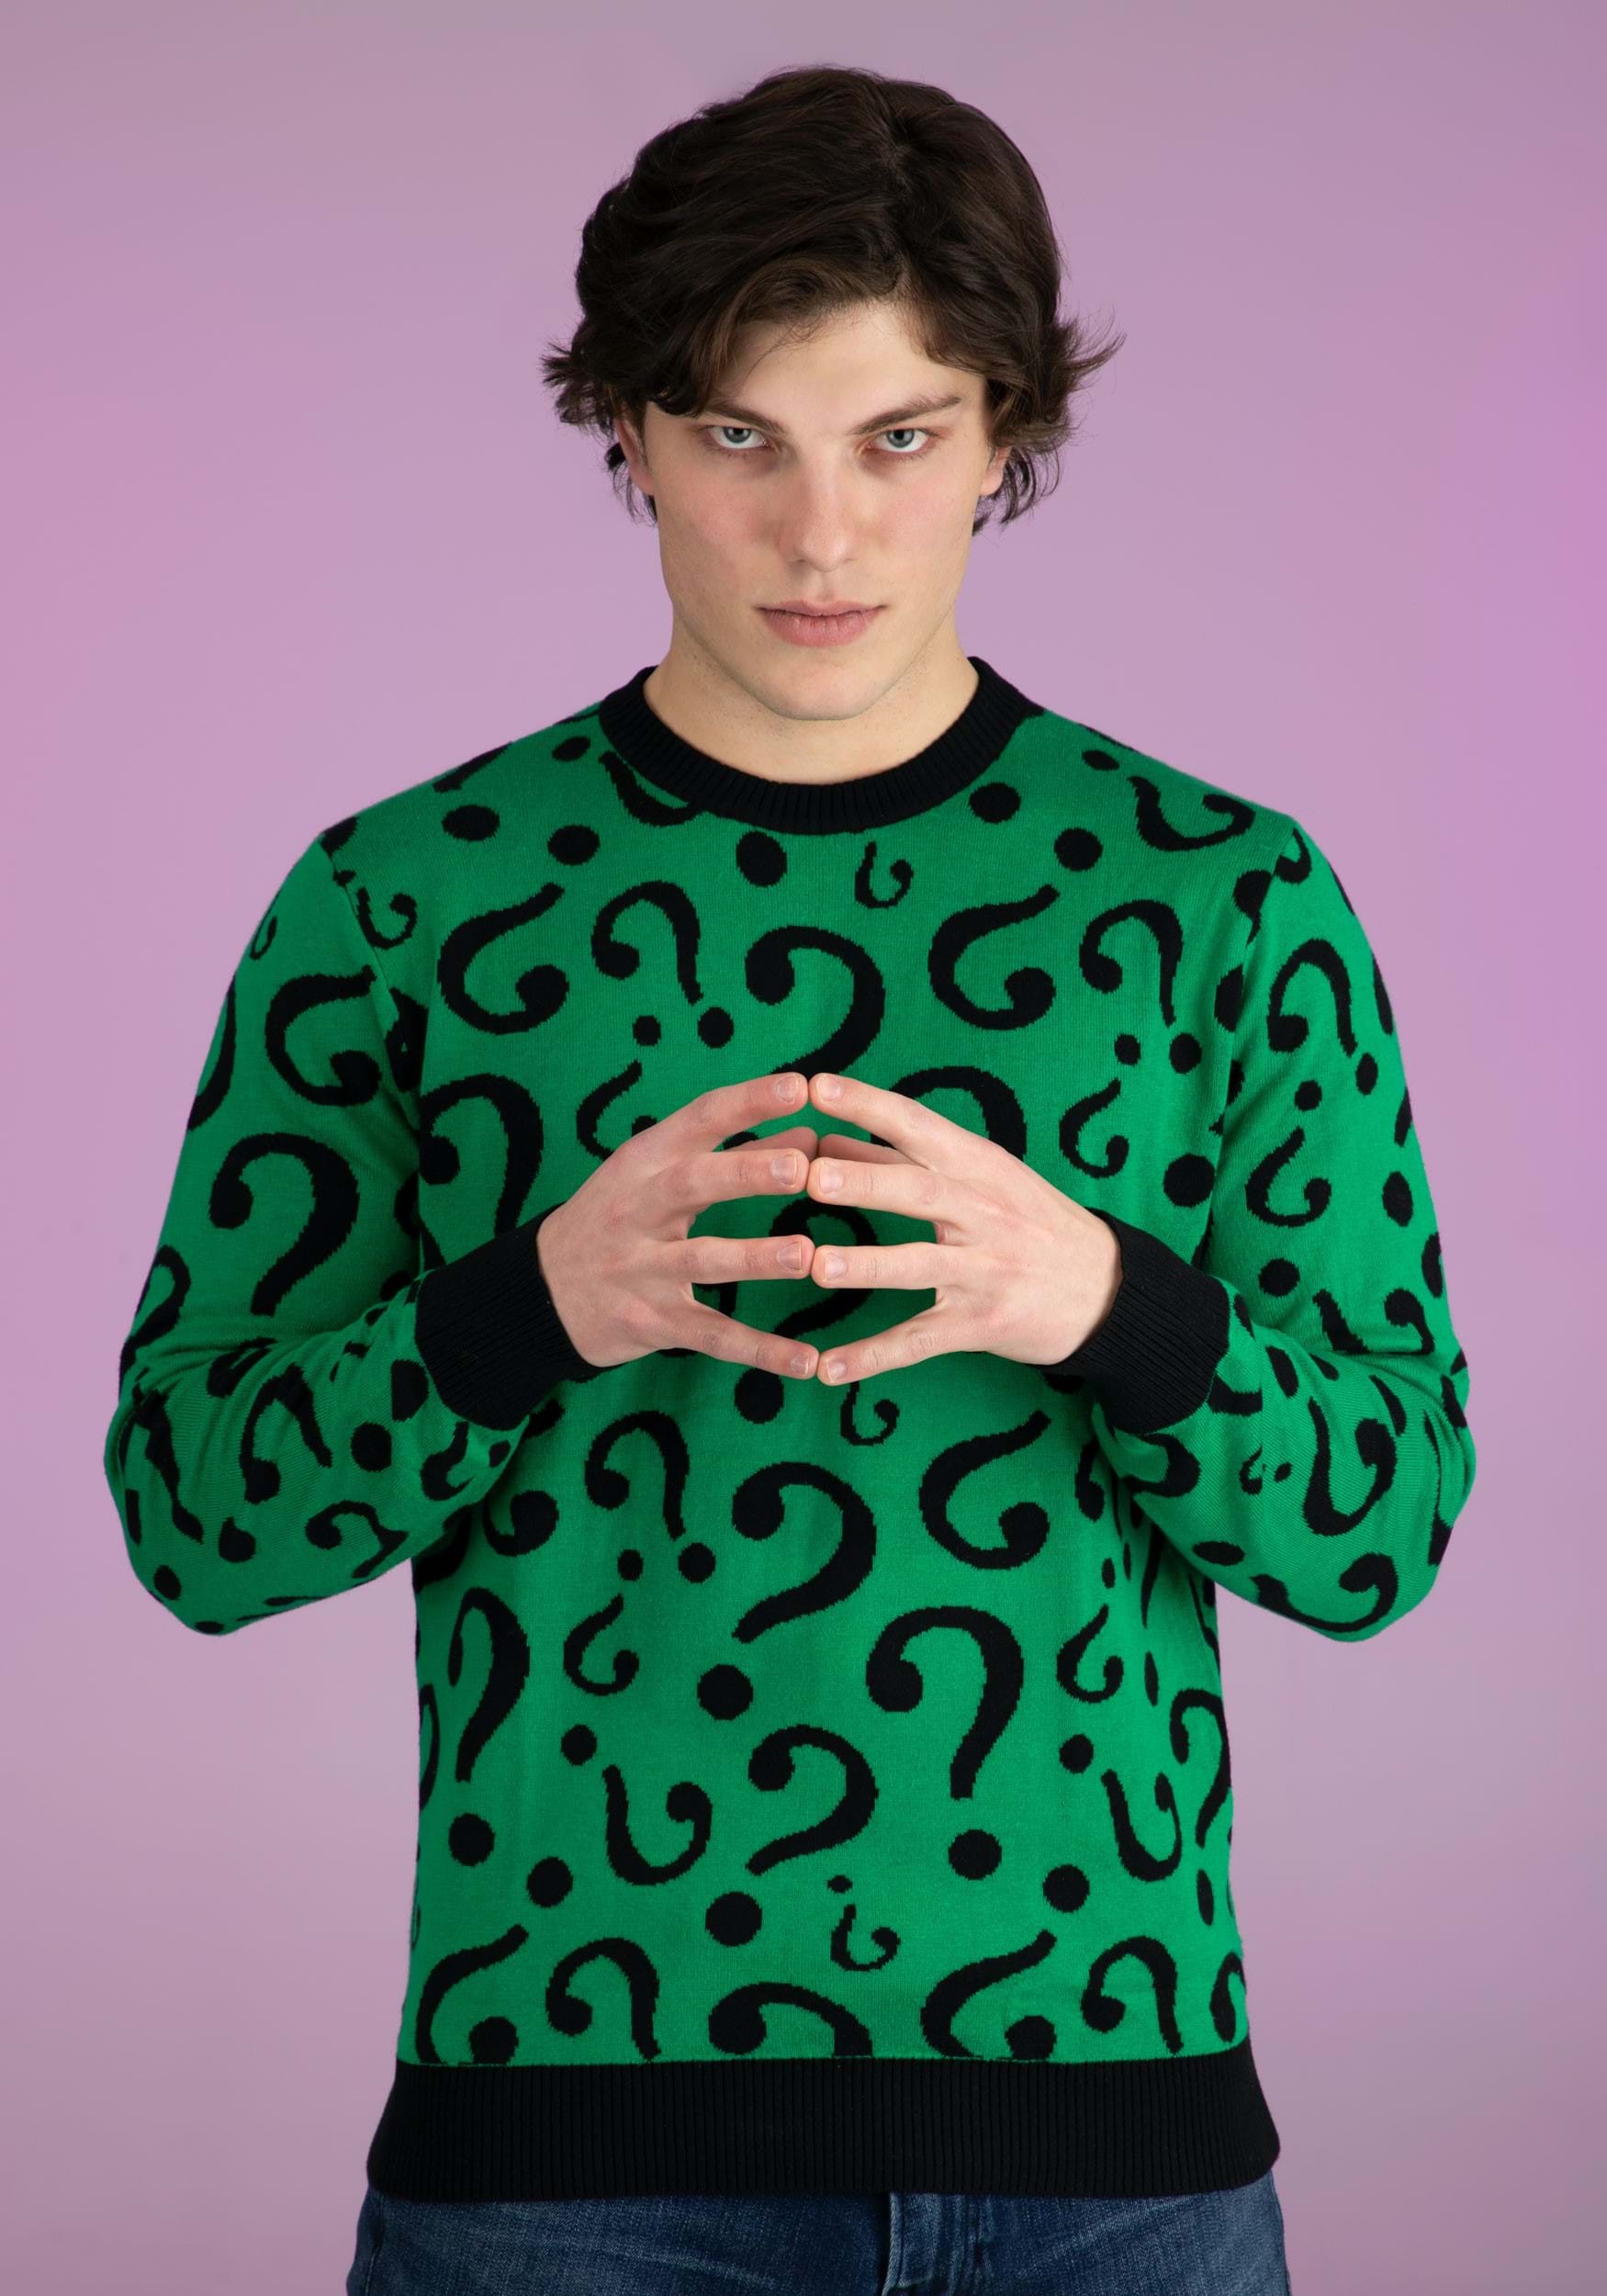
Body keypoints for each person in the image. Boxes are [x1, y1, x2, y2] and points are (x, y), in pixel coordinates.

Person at [104, 61, 1476, 2296]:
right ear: (629, 433)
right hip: (563, 2154)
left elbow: (1383, 1520)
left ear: (1005, 435)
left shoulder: (1219, 896)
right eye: (740, 435)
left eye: (896, 437)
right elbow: (193, 1507)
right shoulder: (406, 898)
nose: (820, 534)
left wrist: (1101, 1300)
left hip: (1110, 2148)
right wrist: (531, 1303)